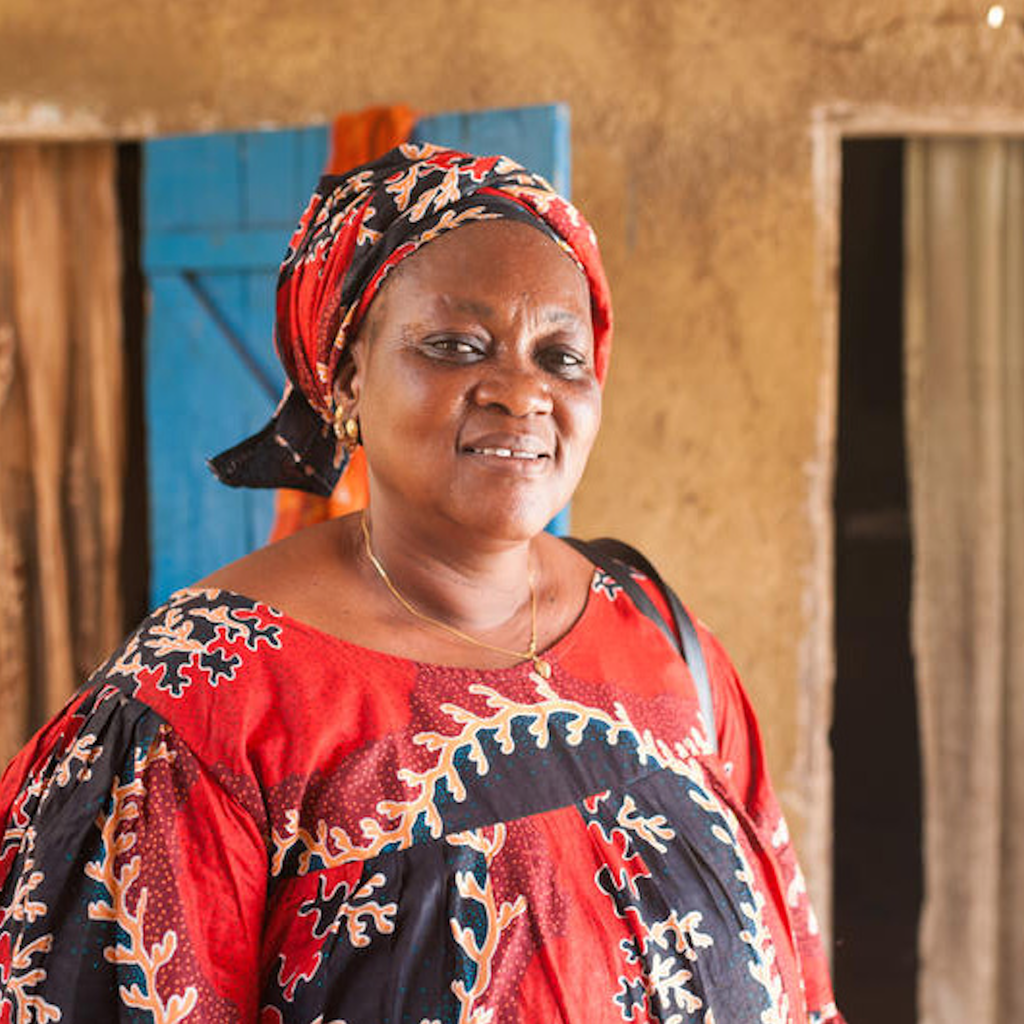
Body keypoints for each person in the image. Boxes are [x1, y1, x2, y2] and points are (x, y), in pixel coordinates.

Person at [0, 143, 844, 1023]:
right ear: (349, 376)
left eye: (560, 357)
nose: (523, 394)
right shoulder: (203, 704)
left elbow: (805, 986)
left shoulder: (661, 638)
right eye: (454, 345)